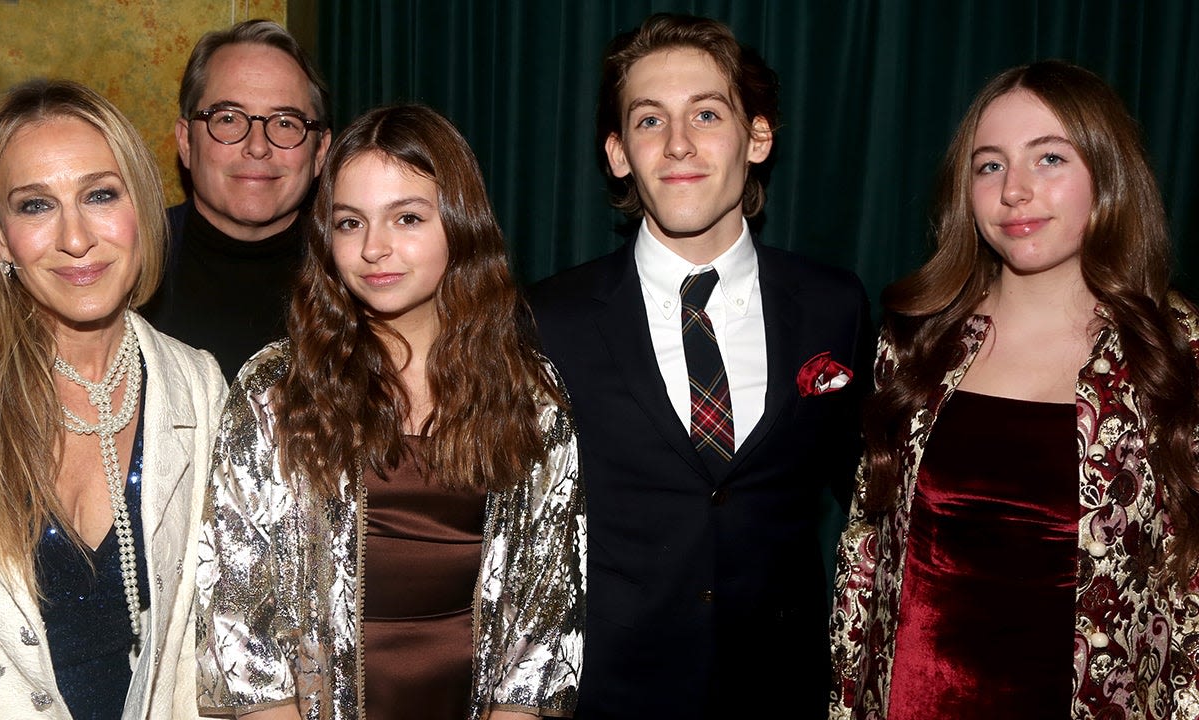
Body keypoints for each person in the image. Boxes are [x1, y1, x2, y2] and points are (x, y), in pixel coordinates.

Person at [830, 60, 1199, 718]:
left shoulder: (1176, 356)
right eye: (990, 165)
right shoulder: (916, 345)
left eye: (1050, 158)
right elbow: (863, 568)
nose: (1015, 192)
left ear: (1108, 175)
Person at [528, 12, 872, 719]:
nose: (679, 144)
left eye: (707, 114)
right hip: (607, 697)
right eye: (650, 121)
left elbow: (868, 501)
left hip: (782, 694)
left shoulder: (833, 308)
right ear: (619, 152)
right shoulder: (547, 319)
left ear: (758, 137)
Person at [196, 104, 585, 720]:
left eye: (407, 217)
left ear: (460, 224)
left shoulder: (528, 392)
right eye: (350, 223)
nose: (375, 248)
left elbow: (544, 629)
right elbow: (244, 639)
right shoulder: (276, 388)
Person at [0, 79, 226, 719]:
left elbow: (208, 649)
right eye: (35, 206)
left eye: (100, 195)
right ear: (1, 238)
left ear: (140, 207)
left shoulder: (197, 388)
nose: (76, 238)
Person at [142, 19, 332, 380]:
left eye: (286, 122)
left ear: (320, 151)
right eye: (228, 118)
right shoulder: (124, 271)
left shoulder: (361, 279)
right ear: (186, 142)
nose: (258, 146)